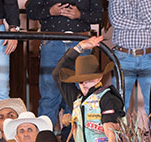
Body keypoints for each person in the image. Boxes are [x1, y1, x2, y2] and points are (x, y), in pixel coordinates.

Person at [26, 0, 103, 128]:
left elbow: (99, 15)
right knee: (49, 95)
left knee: (80, 94)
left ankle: (74, 141)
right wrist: (50, 11)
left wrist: (79, 15)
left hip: (81, 42)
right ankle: (46, 139)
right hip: (52, 42)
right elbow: (31, 12)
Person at [108, 0, 151, 131]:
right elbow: (116, 21)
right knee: (119, 103)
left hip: (150, 56)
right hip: (123, 56)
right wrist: (147, 26)